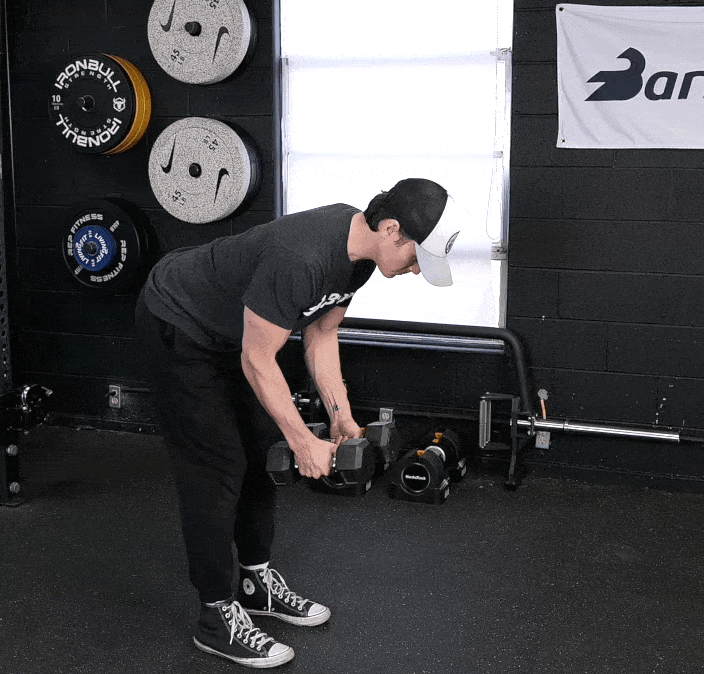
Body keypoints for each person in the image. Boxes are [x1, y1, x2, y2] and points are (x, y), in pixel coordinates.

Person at [134, 177, 460, 668]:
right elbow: (259, 359)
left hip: (234, 338)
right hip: (179, 321)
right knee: (217, 465)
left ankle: (254, 582)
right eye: (417, 257)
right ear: (391, 229)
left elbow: (322, 334)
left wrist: (340, 416)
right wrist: (304, 439)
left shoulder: (360, 262)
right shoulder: (305, 258)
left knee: (261, 453)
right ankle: (214, 616)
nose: (416, 269)